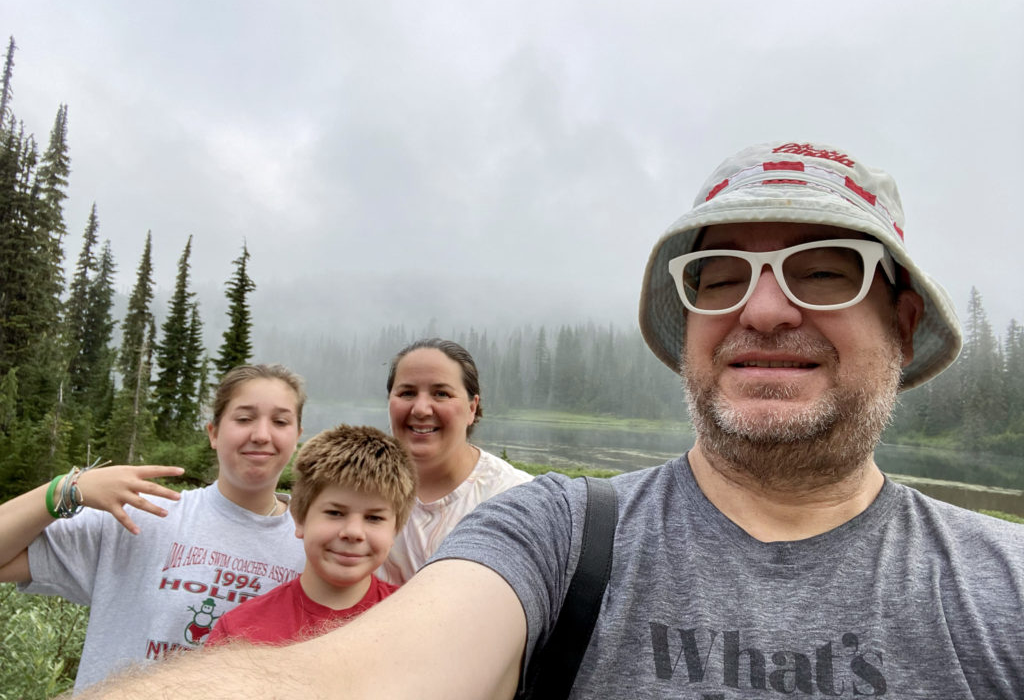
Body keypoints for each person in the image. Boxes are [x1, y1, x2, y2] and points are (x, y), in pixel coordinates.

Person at [82, 142, 1024, 700]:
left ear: (901, 323)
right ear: (689, 324)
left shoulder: (1002, 586)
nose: (764, 311)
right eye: (719, 276)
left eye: (825, 269)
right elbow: (360, 679)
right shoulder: (556, 534)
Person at [0, 363, 308, 692]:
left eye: (280, 421)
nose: (261, 434)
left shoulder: (319, 545)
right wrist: (68, 488)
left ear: (297, 437)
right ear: (213, 433)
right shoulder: (142, 517)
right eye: (244, 418)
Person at [206, 424, 416, 645]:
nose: (353, 532)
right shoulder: (238, 633)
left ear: (395, 530)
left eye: (374, 518)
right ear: (299, 518)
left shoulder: (416, 624)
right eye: (335, 513)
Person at [377, 337, 532, 583]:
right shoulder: (356, 484)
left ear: (472, 407)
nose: (421, 409)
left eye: (441, 394)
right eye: (407, 393)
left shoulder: (517, 499)